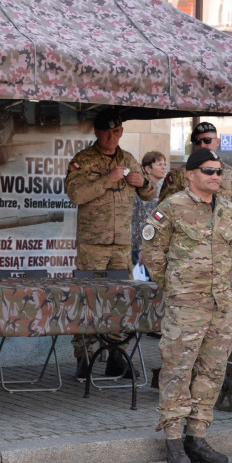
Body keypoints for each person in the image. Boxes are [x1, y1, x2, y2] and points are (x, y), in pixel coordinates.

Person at [141, 147, 232, 463]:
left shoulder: (225, 207)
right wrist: (174, 287)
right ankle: (173, 440)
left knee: (212, 371)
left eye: (219, 171)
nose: (215, 177)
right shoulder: (171, 208)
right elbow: (152, 252)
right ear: (191, 174)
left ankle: (197, 436)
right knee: (177, 371)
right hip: (186, 306)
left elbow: (228, 254)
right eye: (208, 171)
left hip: (220, 305)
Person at [65, 109, 156, 377]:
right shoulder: (83, 160)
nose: (111, 136)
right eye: (106, 131)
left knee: (122, 299)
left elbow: (149, 194)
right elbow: (76, 195)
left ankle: (119, 354)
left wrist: (144, 182)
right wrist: (108, 179)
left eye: (116, 131)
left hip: (121, 246)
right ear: (96, 131)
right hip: (92, 246)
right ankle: (85, 355)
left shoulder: (129, 159)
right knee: (88, 300)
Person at [158, 122, 232, 222]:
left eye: (207, 140)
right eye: (197, 141)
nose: (202, 145)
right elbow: (164, 211)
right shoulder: (179, 175)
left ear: (217, 142)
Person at [130, 151, 169, 267]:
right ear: (148, 169)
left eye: (164, 164)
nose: (163, 168)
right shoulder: (143, 189)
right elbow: (142, 221)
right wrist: (143, 247)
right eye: (159, 165)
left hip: (160, 246)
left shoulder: (164, 187)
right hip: (143, 247)